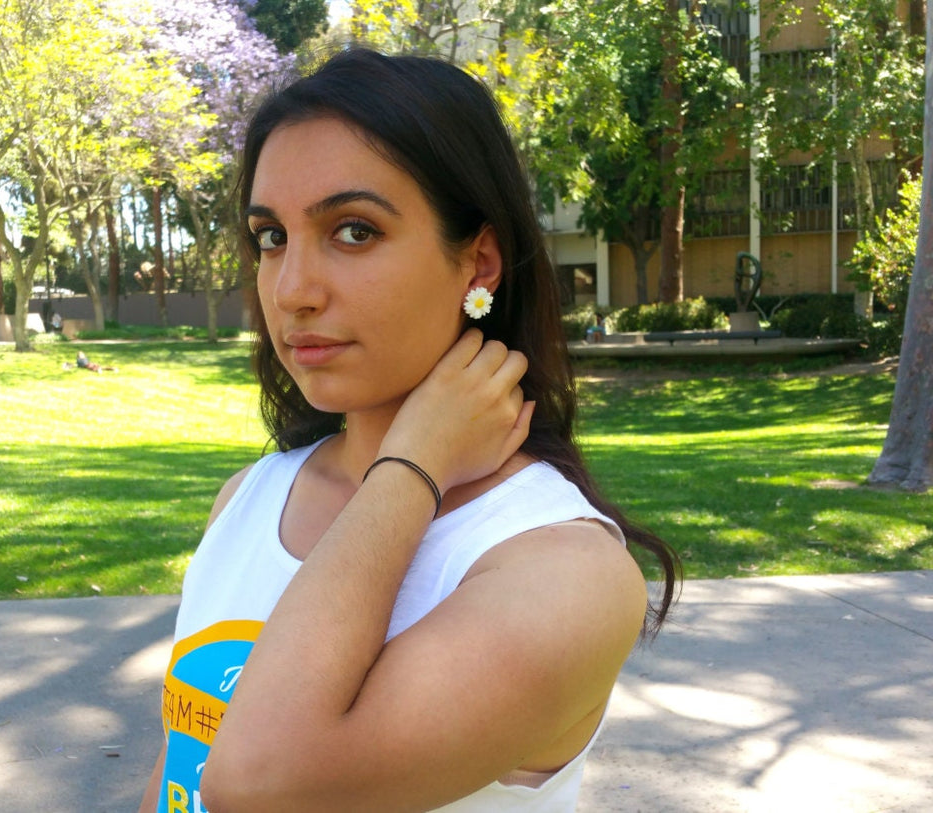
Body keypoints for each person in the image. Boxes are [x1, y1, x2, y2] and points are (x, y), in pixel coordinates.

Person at [139, 48, 679, 813]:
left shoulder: (563, 571)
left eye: (353, 231)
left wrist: (413, 463)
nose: (291, 289)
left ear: (479, 263)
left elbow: (256, 782)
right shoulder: (249, 499)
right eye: (271, 237)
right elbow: (180, 781)